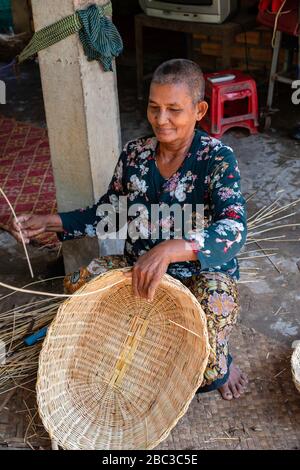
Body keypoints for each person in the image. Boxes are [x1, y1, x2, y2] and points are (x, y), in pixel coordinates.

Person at [10, 59, 248, 400]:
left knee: (212, 342)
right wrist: (52, 223)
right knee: (79, 284)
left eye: (174, 110)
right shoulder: (135, 154)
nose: (161, 120)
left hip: (197, 275)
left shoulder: (217, 158)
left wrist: (170, 249)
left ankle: (222, 362)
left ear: (199, 110)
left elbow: (234, 229)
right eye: (154, 108)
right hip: (140, 270)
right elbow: (110, 213)